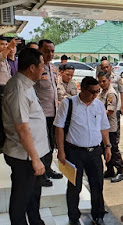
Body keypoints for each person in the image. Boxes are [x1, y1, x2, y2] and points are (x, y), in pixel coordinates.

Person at [54, 76, 111, 225]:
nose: (94, 95)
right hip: (74, 153)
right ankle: (73, 217)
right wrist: (61, 151)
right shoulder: (68, 104)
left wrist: (108, 146)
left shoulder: (98, 105)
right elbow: (59, 128)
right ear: (82, 89)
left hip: (95, 152)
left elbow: (104, 127)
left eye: (97, 92)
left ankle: (98, 216)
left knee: (97, 185)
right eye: (92, 92)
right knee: (74, 187)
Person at [2, 47, 50, 225]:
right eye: (41, 65)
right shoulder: (18, 90)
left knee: (34, 193)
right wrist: (35, 159)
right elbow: (22, 128)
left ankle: (36, 221)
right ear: (31, 67)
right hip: (25, 157)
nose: (43, 69)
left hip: (33, 154)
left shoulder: (27, 85)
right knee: (21, 199)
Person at [35, 39, 62, 187]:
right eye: (47, 51)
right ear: (40, 51)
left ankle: (48, 168)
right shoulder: (36, 68)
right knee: (42, 145)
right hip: (41, 115)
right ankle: (42, 174)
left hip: (53, 113)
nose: (50, 54)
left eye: (52, 51)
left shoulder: (52, 68)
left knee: (51, 143)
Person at [97, 71, 123, 182]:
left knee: (113, 148)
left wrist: (95, 114)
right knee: (104, 148)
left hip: (110, 127)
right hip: (102, 127)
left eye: (104, 81)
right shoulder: (102, 92)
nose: (102, 83)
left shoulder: (111, 93)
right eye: (100, 81)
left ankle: (120, 171)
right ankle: (110, 169)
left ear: (109, 81)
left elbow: (110, 110)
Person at [100, 60, 123, 142]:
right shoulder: (100, 79)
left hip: (115, 107)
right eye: (103, 67)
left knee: (115, 126)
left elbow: (121, 92)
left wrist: (122, 106)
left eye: (107, 67)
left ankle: (115, 142)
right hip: (104, 106)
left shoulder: (117, 78)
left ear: (110, 67)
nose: (106, 69)